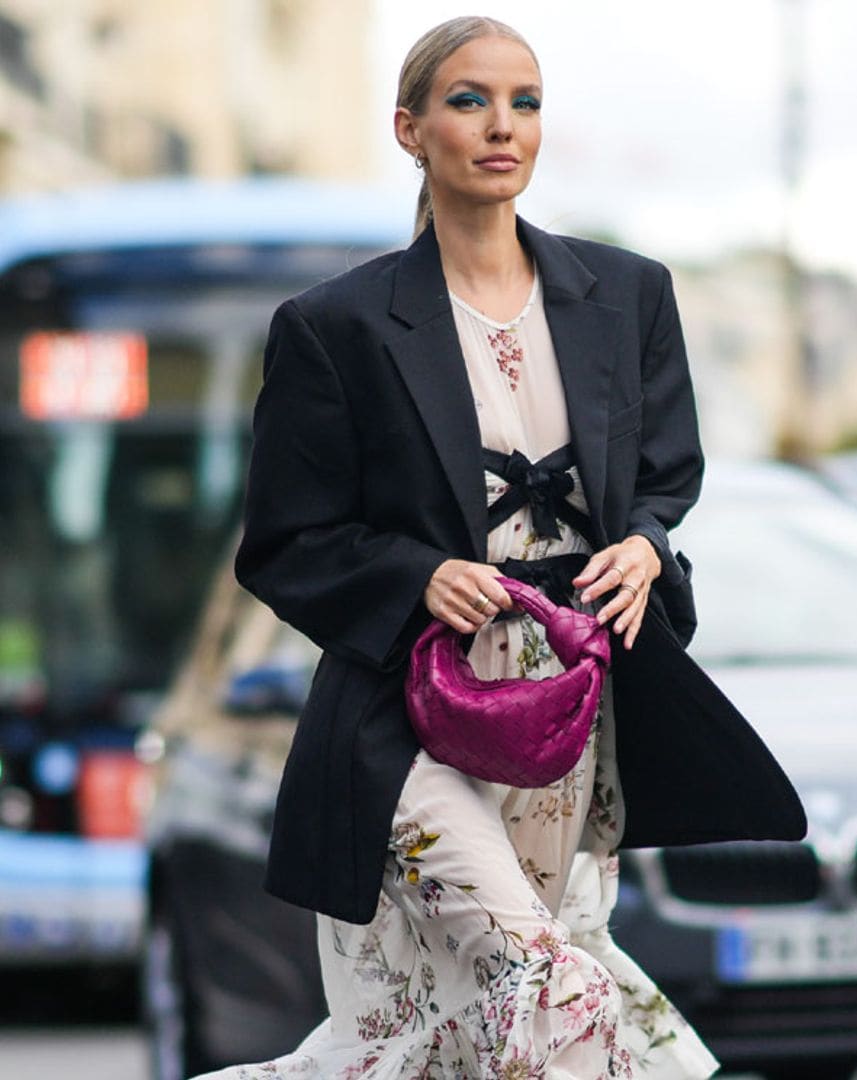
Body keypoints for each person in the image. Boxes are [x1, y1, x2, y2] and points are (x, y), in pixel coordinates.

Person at [196, 15, 803, 1079]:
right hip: (413, 713)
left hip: (571, 701)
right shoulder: (334, 325)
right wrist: (418, 574)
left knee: (469, 1026)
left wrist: (649, 547)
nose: (502, 126)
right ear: (409, 129)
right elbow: (285, 543)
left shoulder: (628, 295)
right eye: (469, 100)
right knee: (541, 976)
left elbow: (666, 472)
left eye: (524, 102)